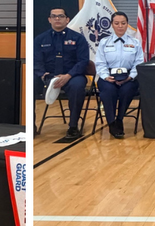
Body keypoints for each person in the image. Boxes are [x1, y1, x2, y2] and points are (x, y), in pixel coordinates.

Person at [33, 8, 89, 140]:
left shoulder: (78, 38)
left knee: (77, 86)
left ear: (67, 20)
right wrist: (43, 74)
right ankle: (31, 126)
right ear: (49, 20)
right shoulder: (40, 39)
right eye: (54, 16)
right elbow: (36, 60)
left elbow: (83, 61)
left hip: (71, 76)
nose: (57, 18)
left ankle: (73, 126)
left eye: (61, 16)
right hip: (47, 76)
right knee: (30, 83)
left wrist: (68, 75)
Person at [95, 12, 145, 138]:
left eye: (123, 23)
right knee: (108, 91)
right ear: (112, 25)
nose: (120, 26)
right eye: (116, 23)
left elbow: (139, 63)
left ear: (127, 24)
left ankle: (120, 119)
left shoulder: (135, 42)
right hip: (108, 76)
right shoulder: (104, 42)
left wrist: (130, 76)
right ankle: (111, 122)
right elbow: (100, 63)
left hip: (128, 77)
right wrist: (106, 76)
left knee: (127, 90)